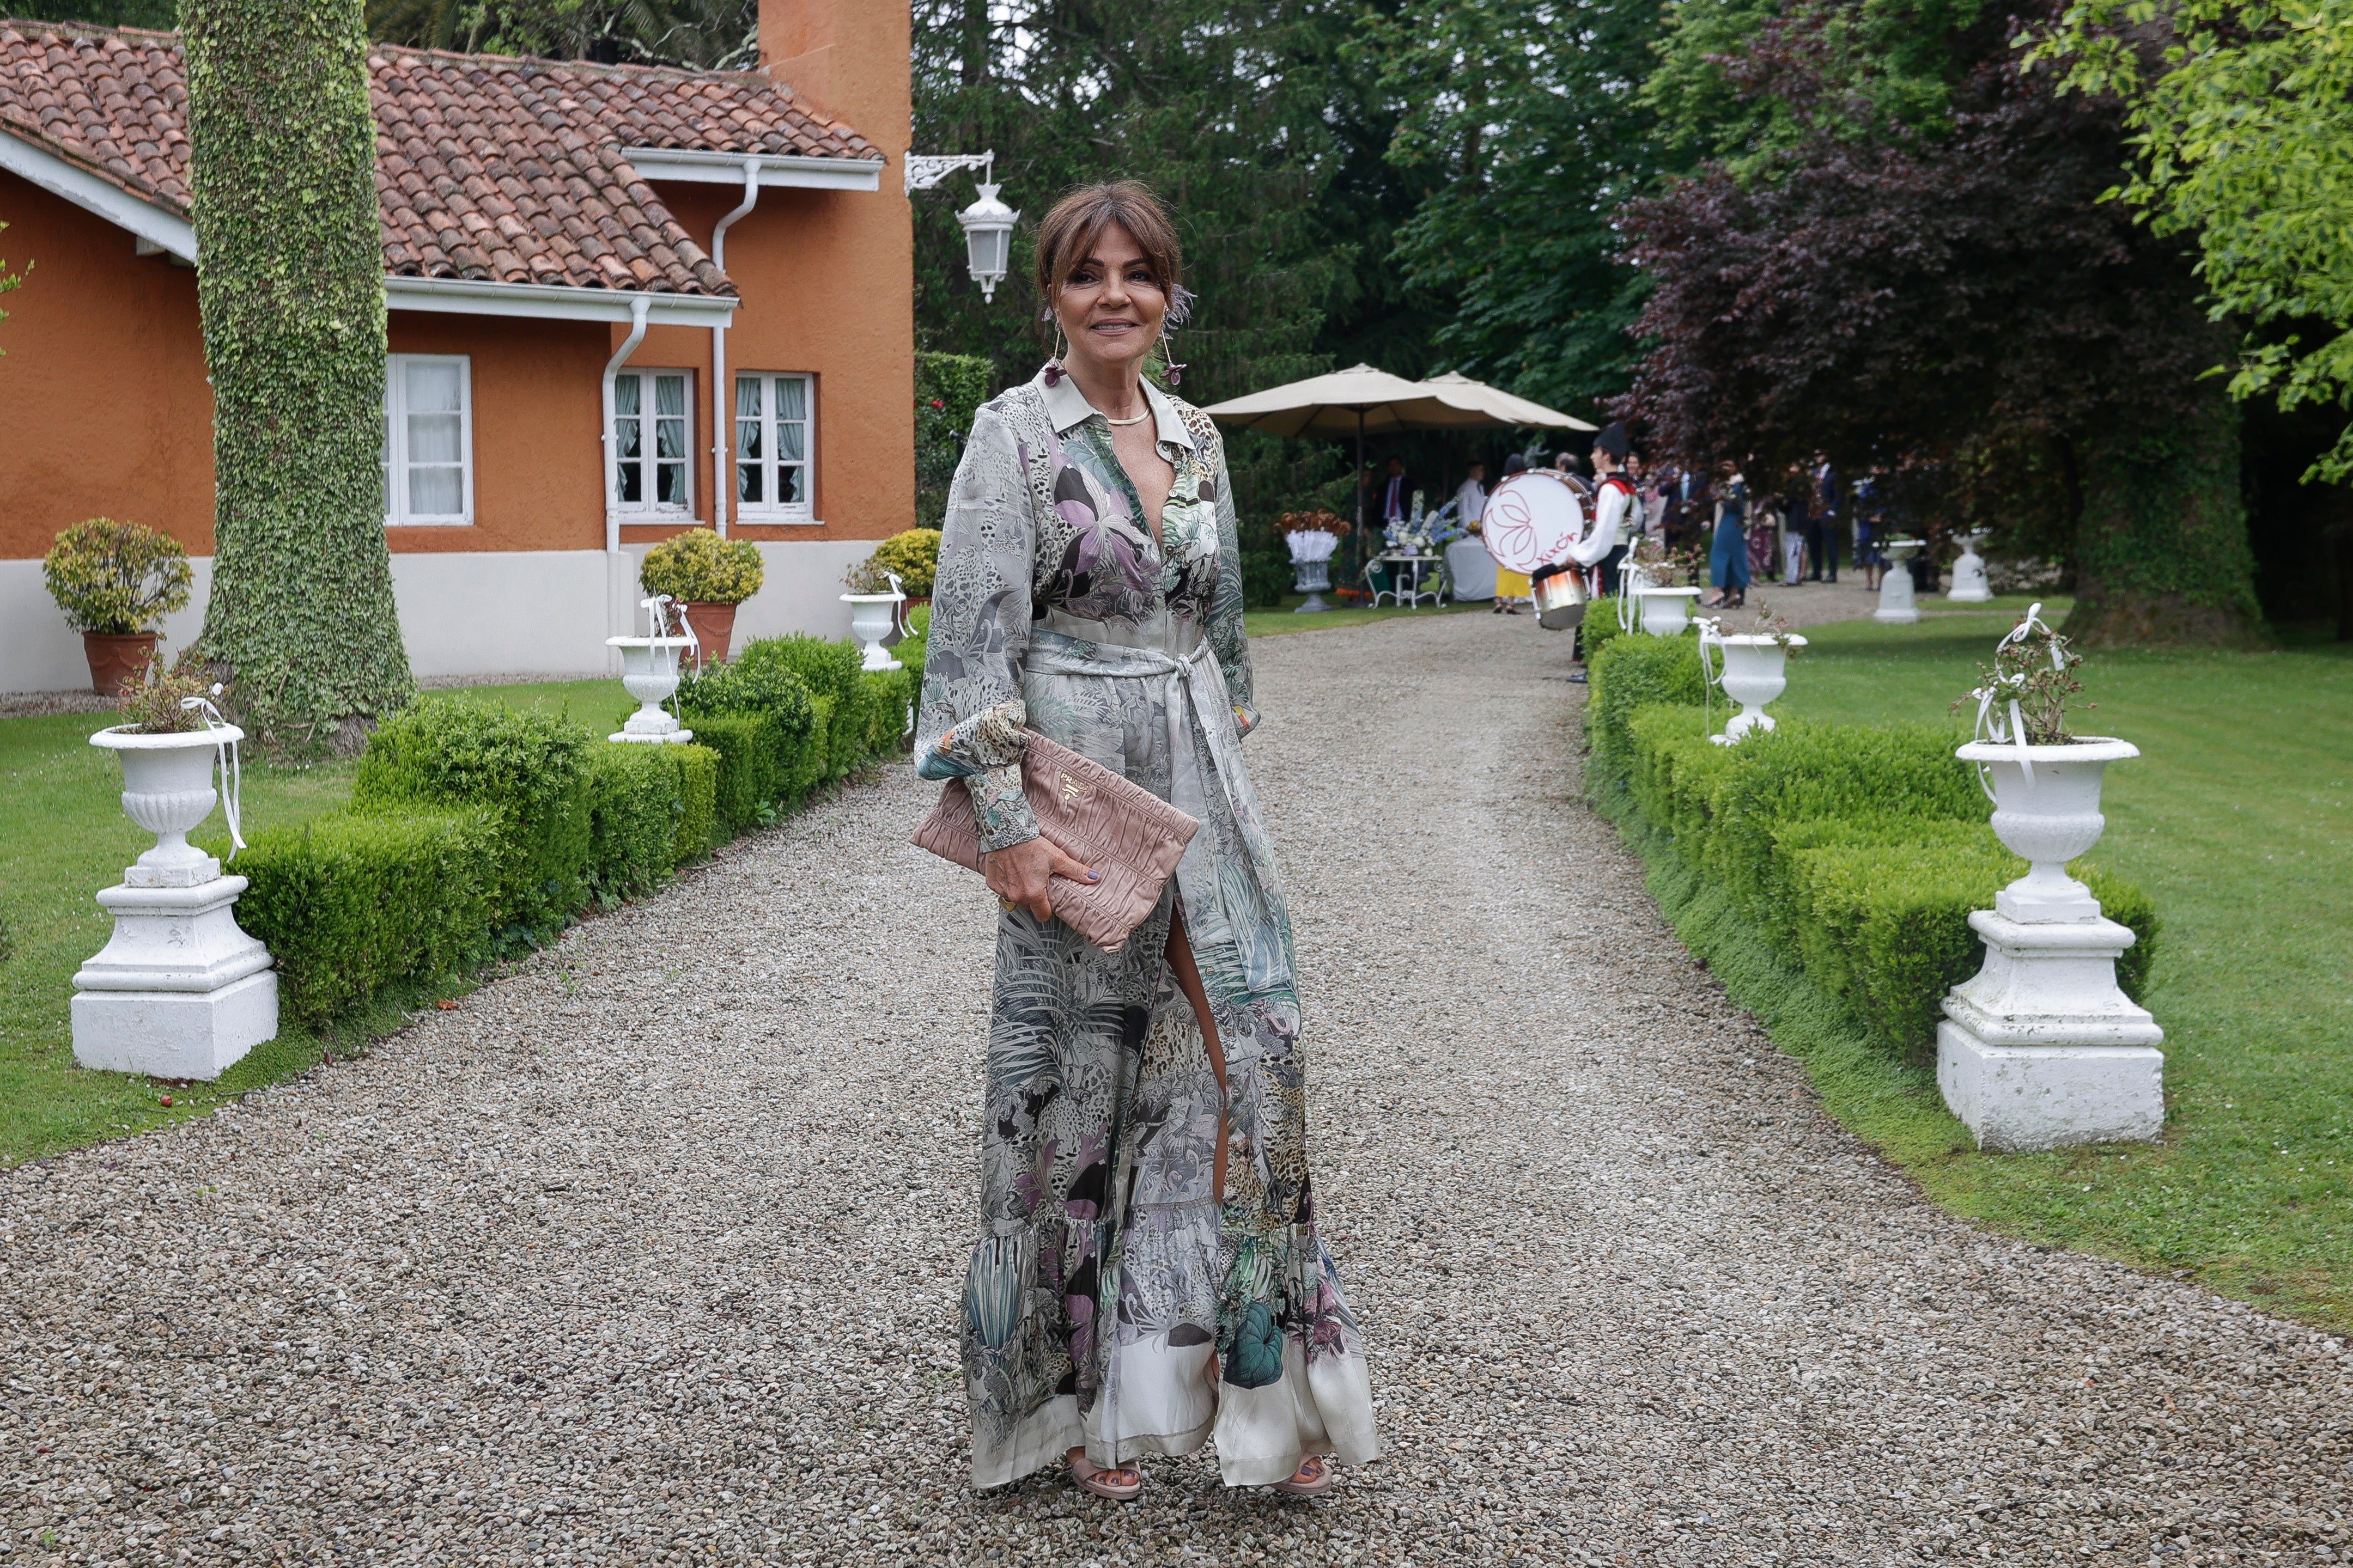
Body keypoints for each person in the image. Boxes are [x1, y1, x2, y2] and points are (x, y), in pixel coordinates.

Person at [916, 180, 1377, 1502]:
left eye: (1138, 272)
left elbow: (1224, 634)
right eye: (1085, 274)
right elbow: (964, 648)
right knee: (1076, 1098)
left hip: (1201, 781)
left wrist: (1221, 745)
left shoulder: (1202, 438)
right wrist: (1004, 825)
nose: (1114, 293)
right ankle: (1066, 1412)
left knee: (1256, 1066)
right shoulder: (1012, 435)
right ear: (1053, 293)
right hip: (1074, 788)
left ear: (1169, 291)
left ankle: (1267, 1394)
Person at [1492, 453, 1531, 613]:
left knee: (1503, 567)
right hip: (1519, 529)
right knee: (1516, 565)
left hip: (1503, 529)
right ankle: (1511, 603)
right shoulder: (1524, 484)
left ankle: (1499, 601)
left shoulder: (1500, 484)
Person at [1708, 462, 1750, 608]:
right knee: (1736, 559)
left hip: (1732, 523)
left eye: (1730, 465)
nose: (1726, 468)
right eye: (1724, 465)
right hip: (1736, 525)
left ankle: (1718, 591)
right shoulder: (1728, 483)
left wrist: (1722, 500)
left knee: (1718, 555)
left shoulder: (1739, 483)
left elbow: (1738, 506)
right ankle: (1734, 594)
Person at [1811, 452, 1840, 583]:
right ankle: (1816, 572)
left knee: (1830, 543)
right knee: (1814, 543)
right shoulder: (1814, 473)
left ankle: (1832, 573)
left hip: (1827, 512)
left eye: (1820, 454)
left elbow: (1838, 495)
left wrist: (1832, 511)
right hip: (1814, 512)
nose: (1818, 457)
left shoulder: (1833, 474)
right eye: (1816, 455)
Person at [1781, 465, 1810, 586]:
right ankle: (1799, 575)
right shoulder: (1803, 483)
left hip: (1796, 520)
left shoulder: (1796, 484)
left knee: (1793, 549)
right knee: (1800, 547)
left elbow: (1788, 504)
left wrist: (1781, 502)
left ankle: (1792, 578)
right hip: (1800, 520)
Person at [1454, 460, 1488, 532]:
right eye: (1480, 470)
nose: (1483, 473)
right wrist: (1467, 528)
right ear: (1472, 471)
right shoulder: (1465, 488)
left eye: (1483, 470)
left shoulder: (1480, 487)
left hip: (1480, 527)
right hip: (1470, 529)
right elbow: (1462, 510)